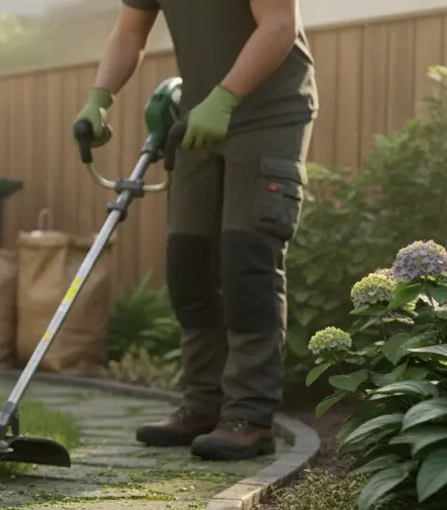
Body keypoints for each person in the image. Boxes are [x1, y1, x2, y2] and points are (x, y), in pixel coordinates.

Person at [73, 0, 318, 461]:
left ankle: (249, 416)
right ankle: (202, 404)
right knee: (188, 263)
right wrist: (99, 98)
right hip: (199, 116)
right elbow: (129, 33)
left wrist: (226, 96)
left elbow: (281, 25)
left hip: (269, 112)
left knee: (247, 263)